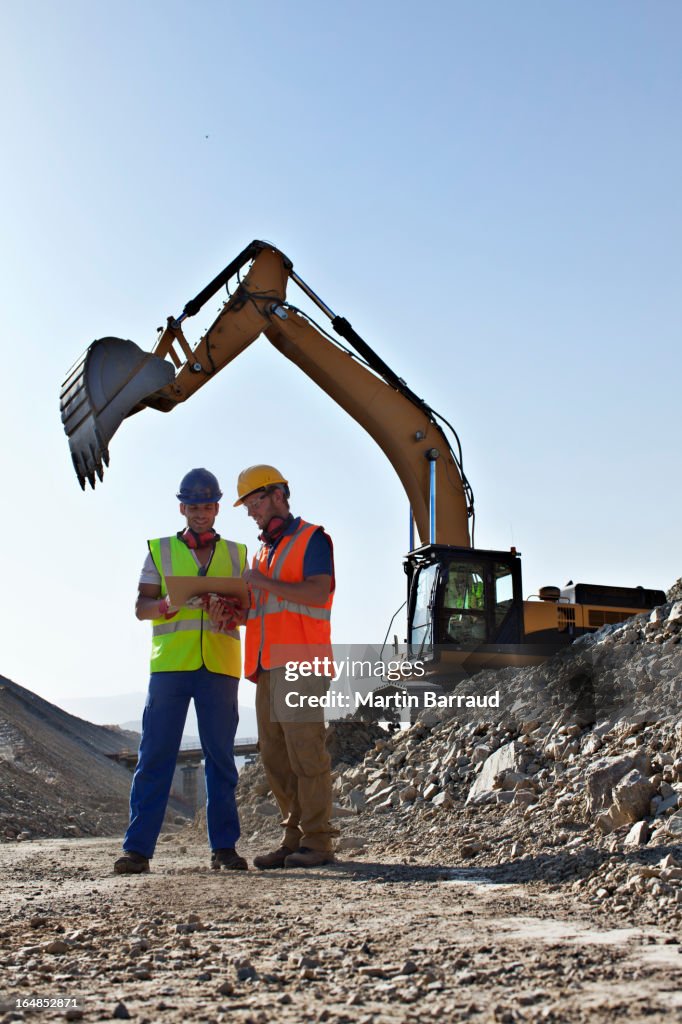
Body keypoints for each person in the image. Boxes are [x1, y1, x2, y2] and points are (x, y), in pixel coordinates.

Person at [114, 468, 249, 875]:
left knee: (221, 760)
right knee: (155, 756)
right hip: (170, 667)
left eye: (207, 506)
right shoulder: (159, 550)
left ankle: (224, 849)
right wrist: (165, 608)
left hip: (220, 668)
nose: (201, 512)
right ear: (182, 508)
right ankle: (137, 850)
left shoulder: (239, 554)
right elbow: (142, 607)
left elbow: (247, 611)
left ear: (217, 508)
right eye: (193, 506)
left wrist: (230, 612)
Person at [233, 464, 336, 869]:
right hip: (267, 666)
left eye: (255, 502)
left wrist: (261, 583)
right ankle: (294, 838)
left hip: (301, 663)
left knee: (306, 754)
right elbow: (265, 610)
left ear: (278, 495)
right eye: (247, 505)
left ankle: (319, 840)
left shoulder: (312, 538)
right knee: (275, 757)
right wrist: (233, 613)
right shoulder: (263, 552)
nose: (250, 512)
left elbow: (316, 590)